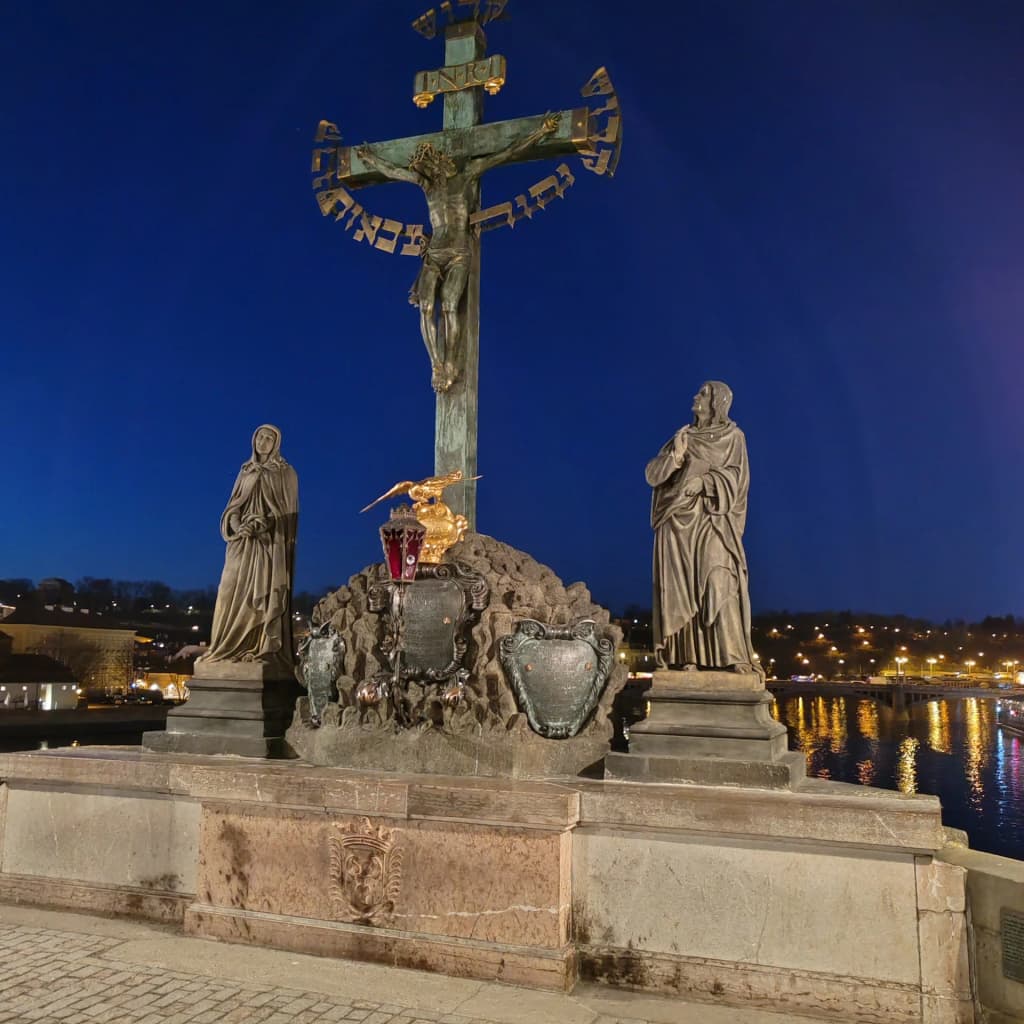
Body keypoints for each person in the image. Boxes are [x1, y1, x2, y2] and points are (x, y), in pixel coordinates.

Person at [356, 113, 560, 393]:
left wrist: (539, 132)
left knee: (450, 305)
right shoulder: (427, 186)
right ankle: (436, 365)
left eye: (431, 163)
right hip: (434, 253)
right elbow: (393, 171)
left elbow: (506, 153)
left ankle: (452, 362)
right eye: (426, 166)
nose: (429, 168)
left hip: (459, 253)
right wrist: (371, 159)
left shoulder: (466, 176)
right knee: (426, 307)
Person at [646, 381, 758, 673]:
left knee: (719, 579)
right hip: (677, 522)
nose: (696, 397)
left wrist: (705, 482)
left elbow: (738, 479)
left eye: (703, 394)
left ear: (717, 402)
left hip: (714, 520)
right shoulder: (683, 436)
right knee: (681, 590)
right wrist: (676, 456)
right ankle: (688, 657)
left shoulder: (733, 437)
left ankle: (733, 655)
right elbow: (653, 476)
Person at [198, 424, 298, 673]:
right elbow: (233, 507)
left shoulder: (285, 473)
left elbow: (288, 515)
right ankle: (223, 647)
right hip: (241, 543)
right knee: (227, 591)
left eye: (269, 438)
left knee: (261, 594)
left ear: (276, 444)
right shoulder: (246, 471)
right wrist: (238, 526)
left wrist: (263, 523)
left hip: (267, 546)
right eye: (260, 437)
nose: (263, 442)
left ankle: (260, 646)